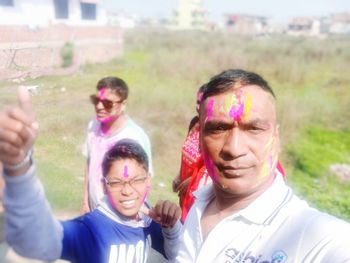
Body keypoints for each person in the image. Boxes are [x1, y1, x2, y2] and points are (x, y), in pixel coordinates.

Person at [175, 69, 350, 262]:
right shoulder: (199, 203)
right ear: (199, 138)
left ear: (276, 138)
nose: (234, 148)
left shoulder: (317, 236)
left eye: (254, 129)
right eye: (218, 129)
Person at [0, 87, 181, 262]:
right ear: (103, 184)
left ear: (149, 179)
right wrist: (18, 165)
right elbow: (36, 241)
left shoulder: (157, 222)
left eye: (136, 180)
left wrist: (172, 229)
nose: (127, 191)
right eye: (116, 182)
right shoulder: (90, 231)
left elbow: (180, 255)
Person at [173, 84, 285, 223]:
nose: (234, 148)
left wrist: (193, 181)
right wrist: (182, 177)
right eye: (197, 103)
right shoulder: (196, 125)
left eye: (253, 129)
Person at [82, 76, 153, 213]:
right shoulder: (93, 126)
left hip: (120, 219)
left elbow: (144, 182)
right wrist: (85, 202)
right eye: (96, 101)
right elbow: (89, 163)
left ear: (123, 104)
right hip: (94, 212)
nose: (99, 106)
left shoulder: (135, 137)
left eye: (107, 103)